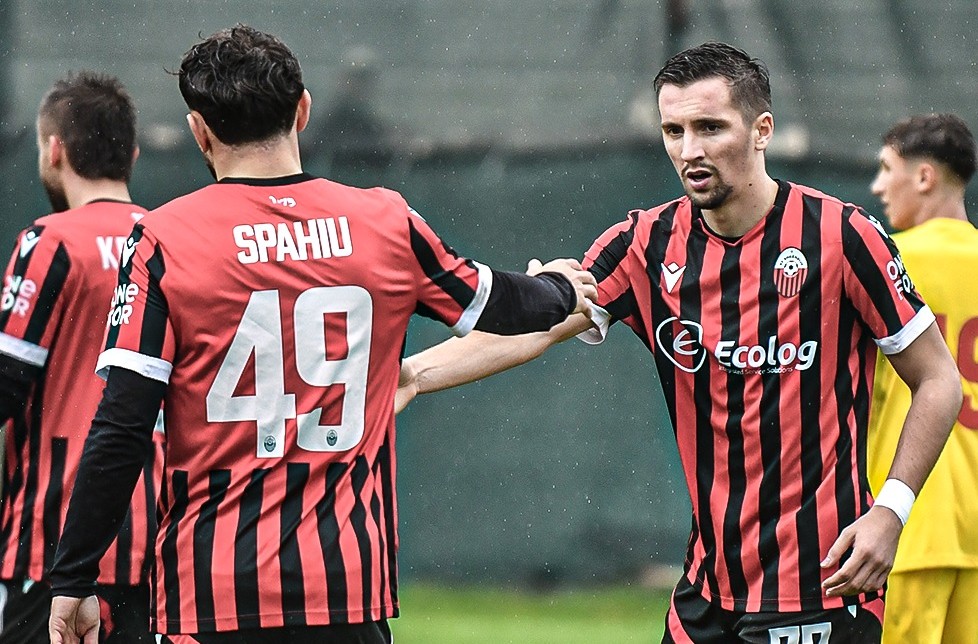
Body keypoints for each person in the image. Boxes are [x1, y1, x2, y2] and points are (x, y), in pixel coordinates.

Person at [46, 25, 597, 644]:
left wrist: (74, 576)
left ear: (199, 131)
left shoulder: (161, 239)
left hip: (212, 593)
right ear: (303, 111)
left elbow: (121, 427)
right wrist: (559, 288)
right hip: (345, 591)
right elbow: (503, 305)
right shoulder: (384, 220)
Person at [395, 42, 963, 643]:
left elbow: (938, 379)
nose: (689, 150)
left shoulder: (842, 236)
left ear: (762, 130)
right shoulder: (645, 243)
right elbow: (536, 328)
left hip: (819, 585)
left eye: (710, 127)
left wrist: (890, 512)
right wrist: (411, 375)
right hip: (706, 592)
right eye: (674, 130)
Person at [0, 72, 160, 642]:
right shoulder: (169, 241)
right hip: (154, 546)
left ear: (54, 150)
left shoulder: (50, 241)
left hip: (52, 543)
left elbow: (5, 383)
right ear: (132, 155)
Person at [867, 113, 978, 644]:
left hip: (906, 520)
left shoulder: (889, 262)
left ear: (925, 177)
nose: (878, 186)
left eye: (887, 169)